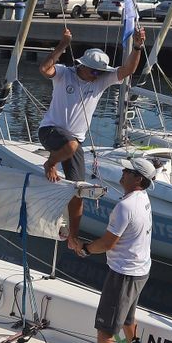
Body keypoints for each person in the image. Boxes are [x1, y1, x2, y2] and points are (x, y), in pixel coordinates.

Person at [38, 25, 146, 252]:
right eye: (94, 71)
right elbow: (44, 69)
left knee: (78, 190)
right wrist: (62, 45)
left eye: (100, 72)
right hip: (50, 131)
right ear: (82, 65)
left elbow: (127, 70)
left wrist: (137, 46)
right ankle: (50, 162)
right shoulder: (65, 73)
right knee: (71, 144)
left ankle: (72, 237)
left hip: (72, 143)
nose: (97, 75)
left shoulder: (100, 80)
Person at [77, 156, 156, 343]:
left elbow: (106, 243)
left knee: (106, 328)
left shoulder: (125, 206)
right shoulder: (143, 198)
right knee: (128, 318)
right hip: (141, 270)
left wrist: (85, 249)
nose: (123, 173)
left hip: (123, 274)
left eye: (127, 171)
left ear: (138, 178)